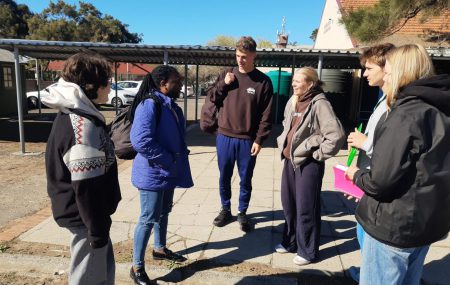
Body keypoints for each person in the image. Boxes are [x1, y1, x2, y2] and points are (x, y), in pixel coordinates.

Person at [346, 44, 450, 285]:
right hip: (426, 225)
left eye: (390, 70)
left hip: (393, 227)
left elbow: (381, 181)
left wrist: (356, 175)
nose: (387, 75)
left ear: (403, 72)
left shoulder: (406, 113)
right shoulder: (441, 110)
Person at [43, 52, 121, 285]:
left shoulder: (75, 112)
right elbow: (86, 187)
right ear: (91, 85)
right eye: (106, 81)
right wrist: (97, 230)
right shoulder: (83, 126)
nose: (110, 86)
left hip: (88, 218)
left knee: (99, 274)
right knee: (89, 278)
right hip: (86, 219)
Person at [129, 66, 194, 285]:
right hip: (153, 173)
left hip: (168, 171)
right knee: (147, 218)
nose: (181, 83)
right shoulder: (150, 104)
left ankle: (160, 248)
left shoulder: (171, 106)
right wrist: (168, 158)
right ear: (163, 83)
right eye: (177, 80)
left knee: (164, 212)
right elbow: (141, 141)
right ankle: (136, 267)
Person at [275, 67, 345, 265]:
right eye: (294, 81)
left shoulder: (320, 104)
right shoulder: (293, 101)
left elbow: (336, 135)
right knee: (288, 204)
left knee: (306, 207)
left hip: (308, 164)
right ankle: (290, 242)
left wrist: (316, 154)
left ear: (311, 84)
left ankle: (308, 251)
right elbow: (286, 123)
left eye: (298, 81)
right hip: (290, 161)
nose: (294, 84)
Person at [208, 36, 274, 232]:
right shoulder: (227, 75)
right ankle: (225, 208)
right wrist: (224, 84)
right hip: (224, 136)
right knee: (224, 176)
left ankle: (243, 212)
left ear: (254, 55)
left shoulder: (263, 82)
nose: (240, 60)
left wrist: (260, 139)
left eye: (244, 56)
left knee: (245, 178)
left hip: (247, 140)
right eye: (237, 56)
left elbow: (266, 114)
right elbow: (212, 98)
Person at [346, 42, 395, 282]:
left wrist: (365, 142)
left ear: (387, 68)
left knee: (372, 239)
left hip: (380, 188)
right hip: (370, 179)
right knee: (363, 232)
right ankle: (368, 272)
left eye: (368, 68)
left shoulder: (396, 104)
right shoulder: (383, 99)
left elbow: (394, 151)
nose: (364, 73)